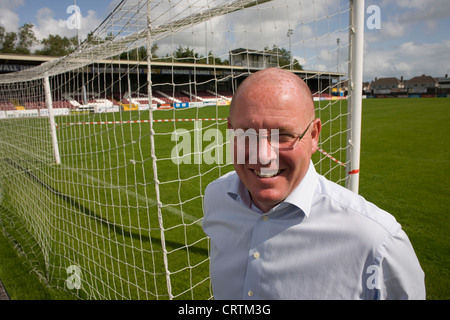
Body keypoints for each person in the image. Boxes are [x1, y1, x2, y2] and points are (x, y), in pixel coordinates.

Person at [202, 68, 425, 300]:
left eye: (283, 135)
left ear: (314, 135)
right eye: (247, 133)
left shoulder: (378, 244)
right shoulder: (217, 197)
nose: (263, 155)